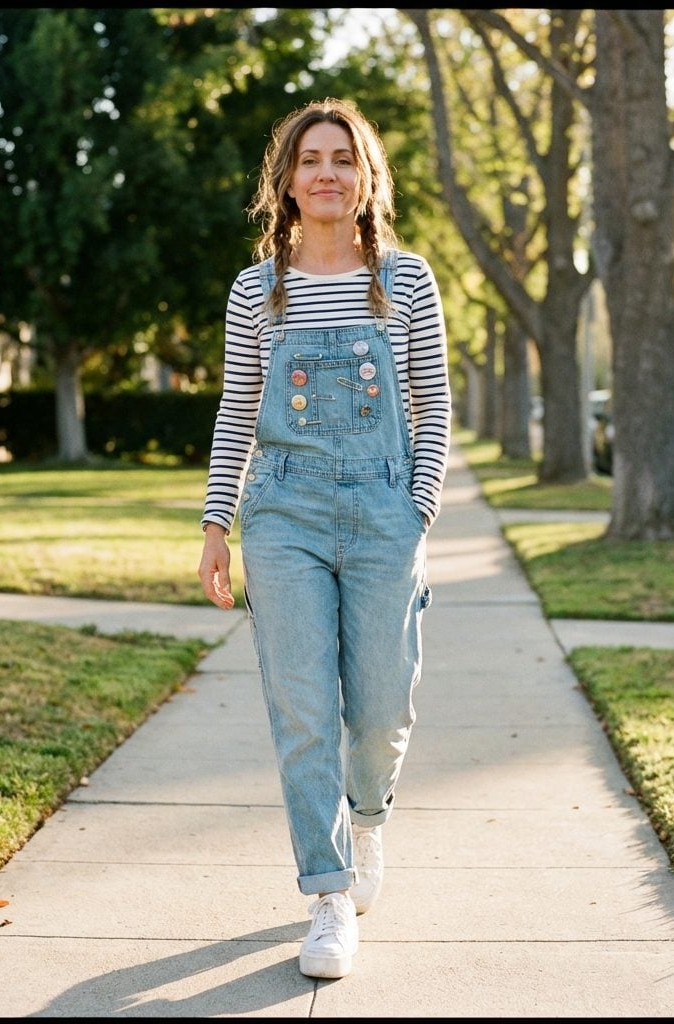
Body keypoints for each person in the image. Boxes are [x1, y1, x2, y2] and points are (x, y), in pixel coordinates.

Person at [197, 97, 451, 980]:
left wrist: (416, 511)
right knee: (304, 711)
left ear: (366, 176)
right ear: (287, 181)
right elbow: (236, 410)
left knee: (380, 708)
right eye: (310, 158)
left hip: (384, 512)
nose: (327, 172)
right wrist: (215, 526)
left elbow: (431, 407)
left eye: (344, 157)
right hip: (283, 514)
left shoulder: (407, 280)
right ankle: (329, 894)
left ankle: (370, 818)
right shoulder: (255, 288)